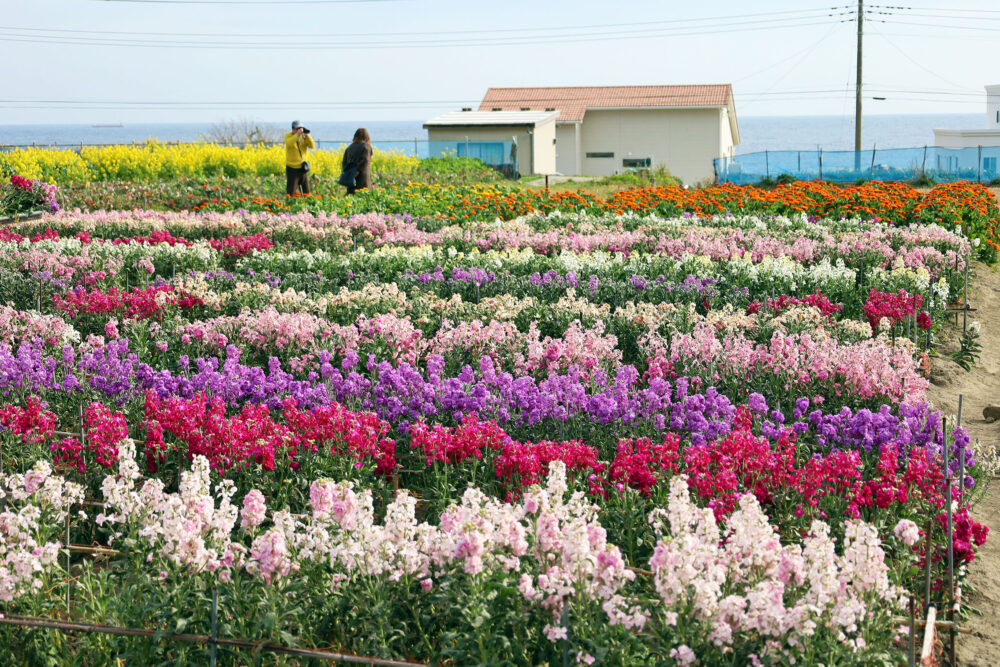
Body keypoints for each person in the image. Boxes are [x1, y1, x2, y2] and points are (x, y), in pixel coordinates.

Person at [284, 120, 315, 196]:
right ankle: (289, 205)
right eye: (298, 129)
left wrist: (308, 137)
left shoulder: (303, 137)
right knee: (291, 192)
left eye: (301, 129)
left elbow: (312, 146)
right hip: (292, 168)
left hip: (303, 167)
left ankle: (307, 206)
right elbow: (289, 143)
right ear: (293, 129)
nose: (300, 131)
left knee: (306, 191)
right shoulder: (288, 136)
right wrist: (297, 135)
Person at [341, 127, 372, 195]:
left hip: (351, 179)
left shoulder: (349, 147)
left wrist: (350, 173)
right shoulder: (366, 147)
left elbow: (344, 162)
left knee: (352, 198)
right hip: (362, 179)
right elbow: (365, 161)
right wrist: (357, 171)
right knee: (363, 198)